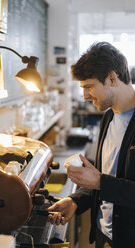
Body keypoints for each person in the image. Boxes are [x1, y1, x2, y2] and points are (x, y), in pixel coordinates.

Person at [47, 41, 135, 248]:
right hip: (104, 236)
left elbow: (102, 182)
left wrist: (99, 182)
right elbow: (107, 175)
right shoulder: (109, 117)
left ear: (112, 78)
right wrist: (76, 200)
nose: (85, 96)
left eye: (89, 87)